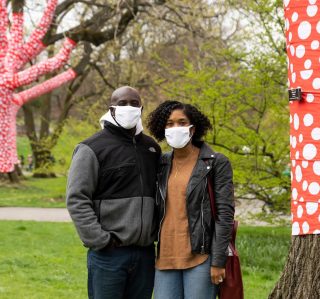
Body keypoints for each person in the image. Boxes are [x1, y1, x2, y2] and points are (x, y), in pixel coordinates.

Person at [66, 86, 161, 299]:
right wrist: (101, 240)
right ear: (112, 108)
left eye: (134, 103)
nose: (128, 107)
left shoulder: (151, 148)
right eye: (122, 103)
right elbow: (76, 199)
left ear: (141, 108)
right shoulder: (91, 148)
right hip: (109, 254)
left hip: (145, 253)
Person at [147, 100, 235, 299]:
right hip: (165, 257)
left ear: (192, 129)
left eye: (181, 122)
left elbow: (224, 214)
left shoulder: (215, 162)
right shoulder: (161, 163)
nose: (175, 128)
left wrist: (218, 261)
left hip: (200, 257)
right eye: (169, 124)